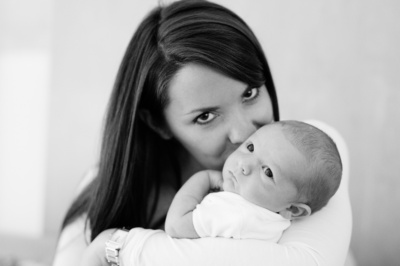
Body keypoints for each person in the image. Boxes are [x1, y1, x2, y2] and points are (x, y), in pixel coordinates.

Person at [52, 0, 352, 266]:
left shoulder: (310, 158)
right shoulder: (102, 193)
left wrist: (115, 246)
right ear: (158, 123)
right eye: (206, 116)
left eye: (249, 93)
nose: (243, 132)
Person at [165, 120, 342, 242]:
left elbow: (175, 226)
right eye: (250, 147)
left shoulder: (235, 213)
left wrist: (204, 178)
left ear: (293, 209)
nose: (244, 164)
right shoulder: (270, 224)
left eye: (267, 171)